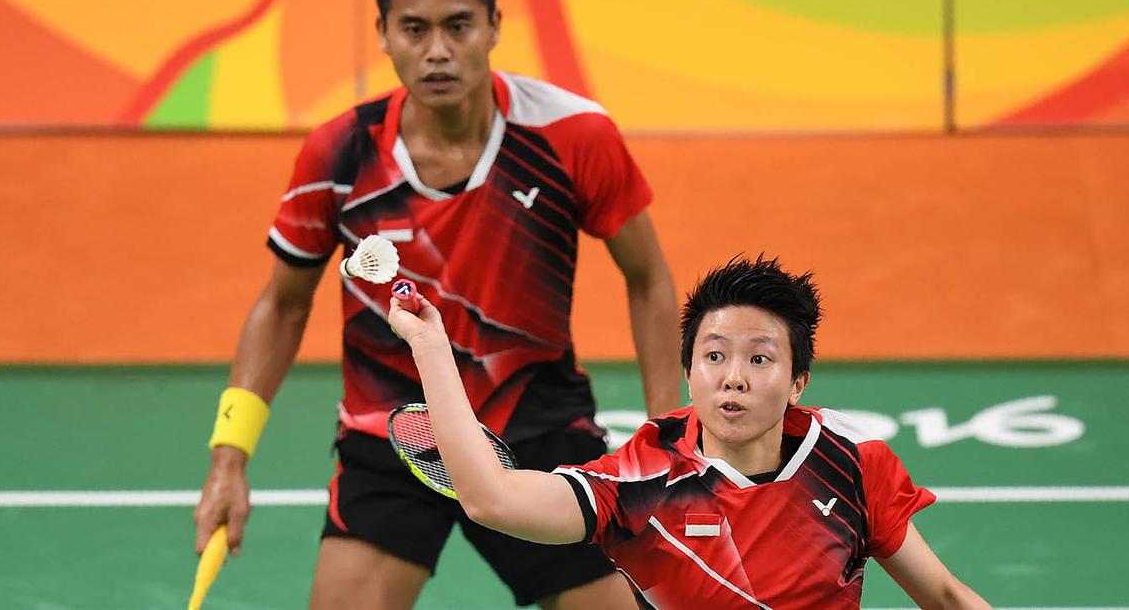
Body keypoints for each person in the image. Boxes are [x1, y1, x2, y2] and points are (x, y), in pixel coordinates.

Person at [192, 0, 681, 610]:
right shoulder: (339, 154)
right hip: (393, 437)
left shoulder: (571, 135)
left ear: (493, 26)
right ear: (385, 34)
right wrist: (228, 459)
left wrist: (667, 440)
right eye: (414, 29)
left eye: (458, 25)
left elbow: (649, 278)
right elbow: (282, 302)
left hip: (535, 431)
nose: (438, 51)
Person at [388, 255, 992, 609]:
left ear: (797, 381)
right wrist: (430, 345)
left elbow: (944, 596)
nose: (733, 379)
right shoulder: (641, 478)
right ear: (689, 372)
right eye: (714, 357)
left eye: (760, 359)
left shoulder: (853, 466)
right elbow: (491, 498)